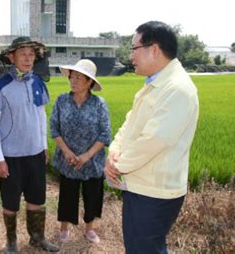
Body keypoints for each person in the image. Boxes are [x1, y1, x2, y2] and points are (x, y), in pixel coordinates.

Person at [104, 21, 199, 254]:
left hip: (154, 193)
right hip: (141, 186)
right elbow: (130, 123)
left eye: (134, 48)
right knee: (141, 248)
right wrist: (113, 151)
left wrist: (117, 165)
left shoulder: (177, 89)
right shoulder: (154, 84)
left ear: (154, 49)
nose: (131, 55)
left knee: (144, 249)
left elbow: (153, 141)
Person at [0, 36, 59, 253]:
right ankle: (11, 242)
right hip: (10, 155)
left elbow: (40, 115)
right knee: (10, 202)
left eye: (31, 55)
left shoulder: (36, 81)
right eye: (23, 54)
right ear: (11, 57)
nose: (28, 59)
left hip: (35, 153)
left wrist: (43, 145)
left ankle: (37, 237)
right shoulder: (0, 86)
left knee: (36, 198)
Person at [49, 59, 111, 244]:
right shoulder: (62, 100)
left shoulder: (99, 104)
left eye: (78, 77)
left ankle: (90, 229)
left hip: (92, 160)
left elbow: (105, 134)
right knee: (68, 194)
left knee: (92, 195)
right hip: (68, 159)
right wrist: (67, 152)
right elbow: (54, 128)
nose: (73, 81)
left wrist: (86, 156)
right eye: (71, 77)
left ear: (89, 82)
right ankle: (64, 228)